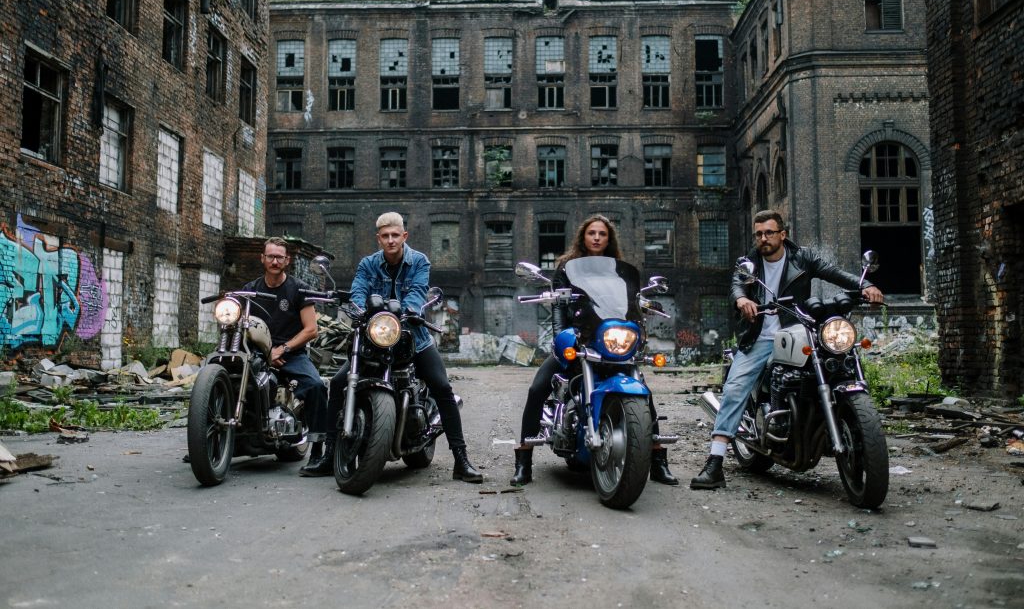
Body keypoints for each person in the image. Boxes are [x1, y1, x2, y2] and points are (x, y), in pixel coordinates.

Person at [690, 209, 884, 489]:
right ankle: (715, 462)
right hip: (761, 337)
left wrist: (866, 285)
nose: (763, 238)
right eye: (758, 234)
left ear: (783, 234)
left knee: (841, 359)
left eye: (769, 233)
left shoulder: (802, 258)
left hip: (799, 331)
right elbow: (736, 287)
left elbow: (834, 273)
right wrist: (742, 300)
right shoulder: (748, 265)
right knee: (735, 388)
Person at [301, 213, 483, 482]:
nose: (390, 240)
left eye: (394, 235)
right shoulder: (368, 264)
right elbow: (359, 291)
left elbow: (417, 292)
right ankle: (329, 455)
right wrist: (358, 308)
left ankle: (461, 459)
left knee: (442, 388)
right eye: (385, 236)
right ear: (378, 238)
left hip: (413, 337)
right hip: (374, 337)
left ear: (404, 236)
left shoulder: (419, 261)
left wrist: (408, 310)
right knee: (339, 384)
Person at [510, 215, 679, 487]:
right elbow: (558, 307)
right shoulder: (566, 269)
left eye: (603, 233)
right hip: (578, 338)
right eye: (592, 233)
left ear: (609, 238)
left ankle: (658, 460)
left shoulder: (620, 272)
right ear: (583, 237)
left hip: (609, 340)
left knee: (643, 392)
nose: (597, 237)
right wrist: (562, 337)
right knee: (538, 388)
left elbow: (630, 304)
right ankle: (523, 460)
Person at [241, 237, 329, 476]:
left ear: (287, 260)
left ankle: (320, 450)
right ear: (263, 258)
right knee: (217, 372)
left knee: (315, 387)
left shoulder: (298, 289)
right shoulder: (250, 289)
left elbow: (311, 329)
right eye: (270, 256)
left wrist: (284, 349)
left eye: (280, 257)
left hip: (290, 353)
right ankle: (205, 439)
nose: (275, 261)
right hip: (257, 352)